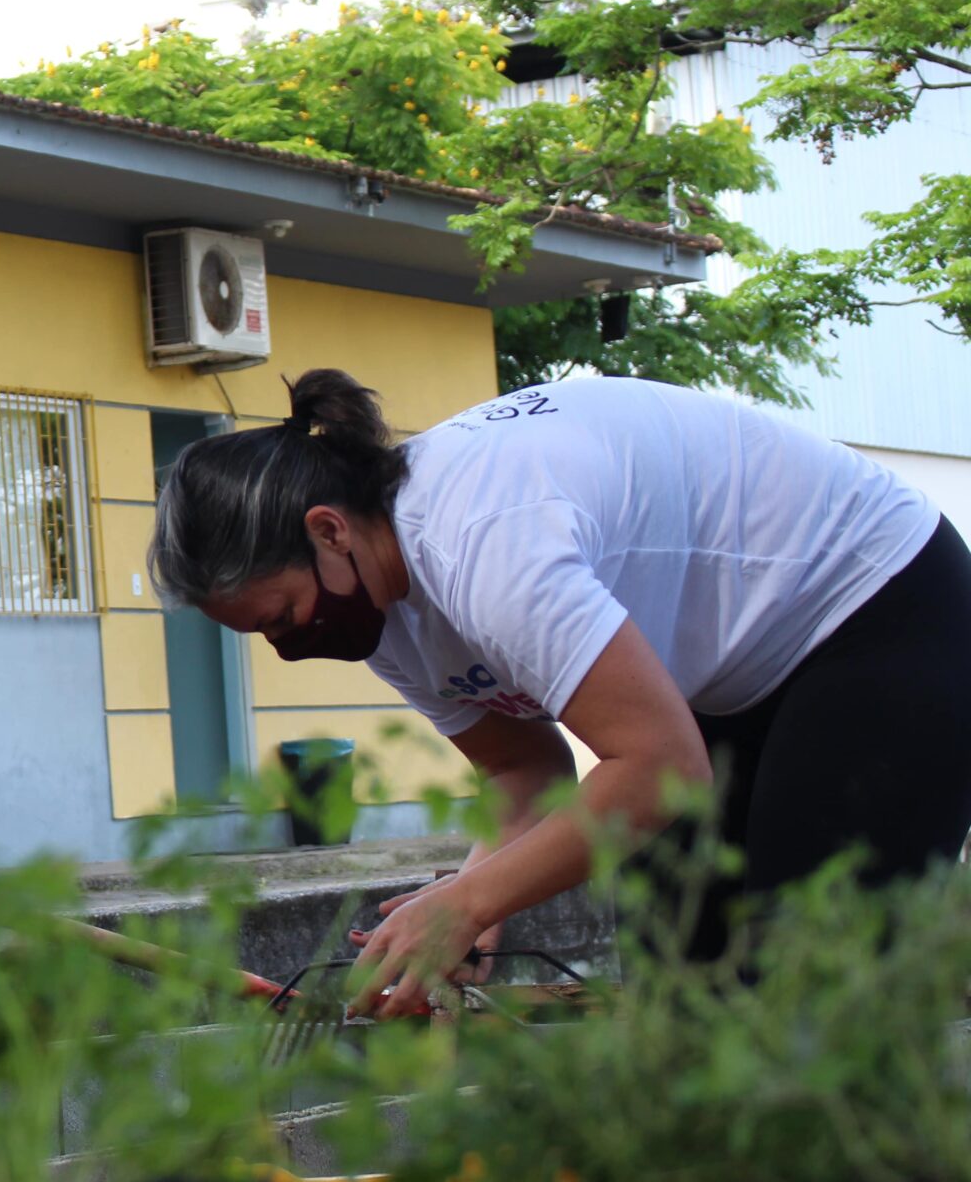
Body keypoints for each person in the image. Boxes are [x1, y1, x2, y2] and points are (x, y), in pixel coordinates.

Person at [150, 369, 971, 1014]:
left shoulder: (483, 543)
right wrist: (464, 907)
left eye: (284, 617)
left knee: (809, 982)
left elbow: (661, 770)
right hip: (732, 682)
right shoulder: (385, 603)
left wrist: (466, 902)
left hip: (881, 606)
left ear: (328, 530)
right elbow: (523, 770)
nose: (291, 648)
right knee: (678, 973)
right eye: (263, 635)